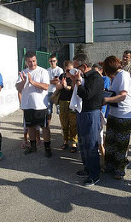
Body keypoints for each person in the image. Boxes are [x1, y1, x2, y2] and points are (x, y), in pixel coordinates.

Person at [102, 56, 131, 179]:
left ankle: (120, 169)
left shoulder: (124, 75)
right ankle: (110, 165)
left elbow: (122, 96)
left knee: (121, 143)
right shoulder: (116, 77)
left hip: (124, 114)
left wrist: (106, 99)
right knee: (110, 141)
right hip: (114, 113)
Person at [73, 54, 104, 186]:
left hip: (91, 113)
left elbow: (86, 94)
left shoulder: (95, 78)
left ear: (84, 66)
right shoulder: (85, 76)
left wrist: (78, 82)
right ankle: (87, 168)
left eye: (76, 68)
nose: (75, 71)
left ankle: (94, 174)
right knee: (83, 143)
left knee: (91, 144)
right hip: (82, 112)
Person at [16, 51, 52, 158]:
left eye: (34, 61)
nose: (32, 63)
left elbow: (46, 86)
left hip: (40, 106)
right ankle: (33, 147)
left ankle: (47, 148)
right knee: (30, 127)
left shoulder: (43, 71)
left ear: (36, 60)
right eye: (29, 62)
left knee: (45, 127)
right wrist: (23, 82)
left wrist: (32, 82)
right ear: (26, 62)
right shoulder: (23, 72)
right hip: (28, 106)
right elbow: (18, 88)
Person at [55, 60, 78, 153]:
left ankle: (73, 142)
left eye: (69, 70)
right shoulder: (62, 76)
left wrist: (66, 86)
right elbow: (57, 87)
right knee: (64, 122)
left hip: (72, 102)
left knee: (73, 123)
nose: (68, 72)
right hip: (63, 101)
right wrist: (61, 85)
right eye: (66, 70)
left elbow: (75, 89)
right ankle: (65, 140)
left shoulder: (75, 76)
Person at [92, 62, 111, 170]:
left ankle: (105, 162)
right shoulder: (94, 80)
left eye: (96, 72)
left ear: (101, 70)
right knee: (99, 136)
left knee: (100, 139)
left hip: (101, 110)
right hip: (96, 109)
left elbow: (106, 92)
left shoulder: (105, 80)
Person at [47, 54, 63, 123]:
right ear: (49, 62)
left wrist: (50, 81)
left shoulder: (59, 70)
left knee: (59, 111)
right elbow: (45, 82)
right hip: (49, 92)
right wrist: (53, 81)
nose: (52, 62)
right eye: (51, 61)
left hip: (57, 91)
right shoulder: (47, 70)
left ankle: (63, 127)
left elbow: (59, 81)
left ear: (56, 61)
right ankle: (47, 127)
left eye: (53, 61)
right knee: (48, 111)